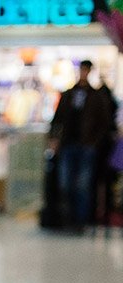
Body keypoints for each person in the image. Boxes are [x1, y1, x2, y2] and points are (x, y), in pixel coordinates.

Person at [49, 60, 114, 231]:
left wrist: (94, 142)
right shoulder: (69, 95)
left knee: (83, 186)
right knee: (65, 184)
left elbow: (104, 122)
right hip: (68, 144)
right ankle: (67, 218)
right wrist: (54, 139)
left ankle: (80, 221)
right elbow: (57, 119)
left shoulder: (96, 97)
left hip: (86, 146)